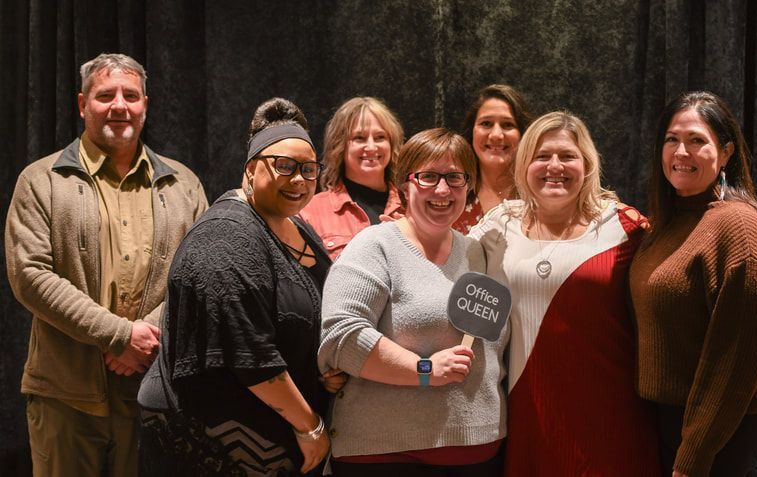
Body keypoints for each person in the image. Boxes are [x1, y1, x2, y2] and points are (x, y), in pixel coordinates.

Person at [4, 53, 207, 477]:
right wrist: (118, 336)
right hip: (66, 398)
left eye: (130, 95)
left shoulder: (185, 185)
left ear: (145, 104)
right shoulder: (41, 180)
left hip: (155, 394)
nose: (119, 105)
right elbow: (30, 275)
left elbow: (200, 277)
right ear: (82, 104)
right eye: (105, 95)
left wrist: (146, 335)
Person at [138, 98, 345, 476]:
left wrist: (326, 367)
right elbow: (248, 353)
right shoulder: (226, 236)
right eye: (284, 166)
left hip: (273, 428)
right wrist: (310, 426)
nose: (299, 180)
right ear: (251, 169)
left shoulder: (297, 226)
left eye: (308, 169)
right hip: (219, 435)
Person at [470, 111, 660, 476]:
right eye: (542, 156)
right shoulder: (499, 223)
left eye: (567, 156)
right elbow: (445, 267)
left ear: (587, 164)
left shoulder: (624, 225)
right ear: (524, 165)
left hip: (612, 415)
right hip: (530, 412)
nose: (554, 166)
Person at [318, 128, 508, 476]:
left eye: (455, 177)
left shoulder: (477, 252)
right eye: (428, 176)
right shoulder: (375, 245)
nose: (442, 190)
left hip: (478, 452)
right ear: (405, 185)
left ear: (468, 186)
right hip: (385, 455)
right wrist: (424, 371)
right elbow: (341, 337)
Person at [629, 91, 757, 477]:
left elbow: (738, 358)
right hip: (668, 421)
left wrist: (695, 454)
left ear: (726, 152)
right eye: (672, 139)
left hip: (715, 429)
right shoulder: (665, 224)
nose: (681, 152)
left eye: (697, 140)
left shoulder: (738, 226)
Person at [299, 97, 404, 259]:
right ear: (340, 145)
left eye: (380, 137)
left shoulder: (413, 207)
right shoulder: (310, 212)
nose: (371, 147)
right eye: (359, 138)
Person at [452, 84, 533, 233]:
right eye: (486, 124)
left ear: (523, 134)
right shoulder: (450, 190)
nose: (496, 135)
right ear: (471, 131)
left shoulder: (538, 196)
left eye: (507, 125)